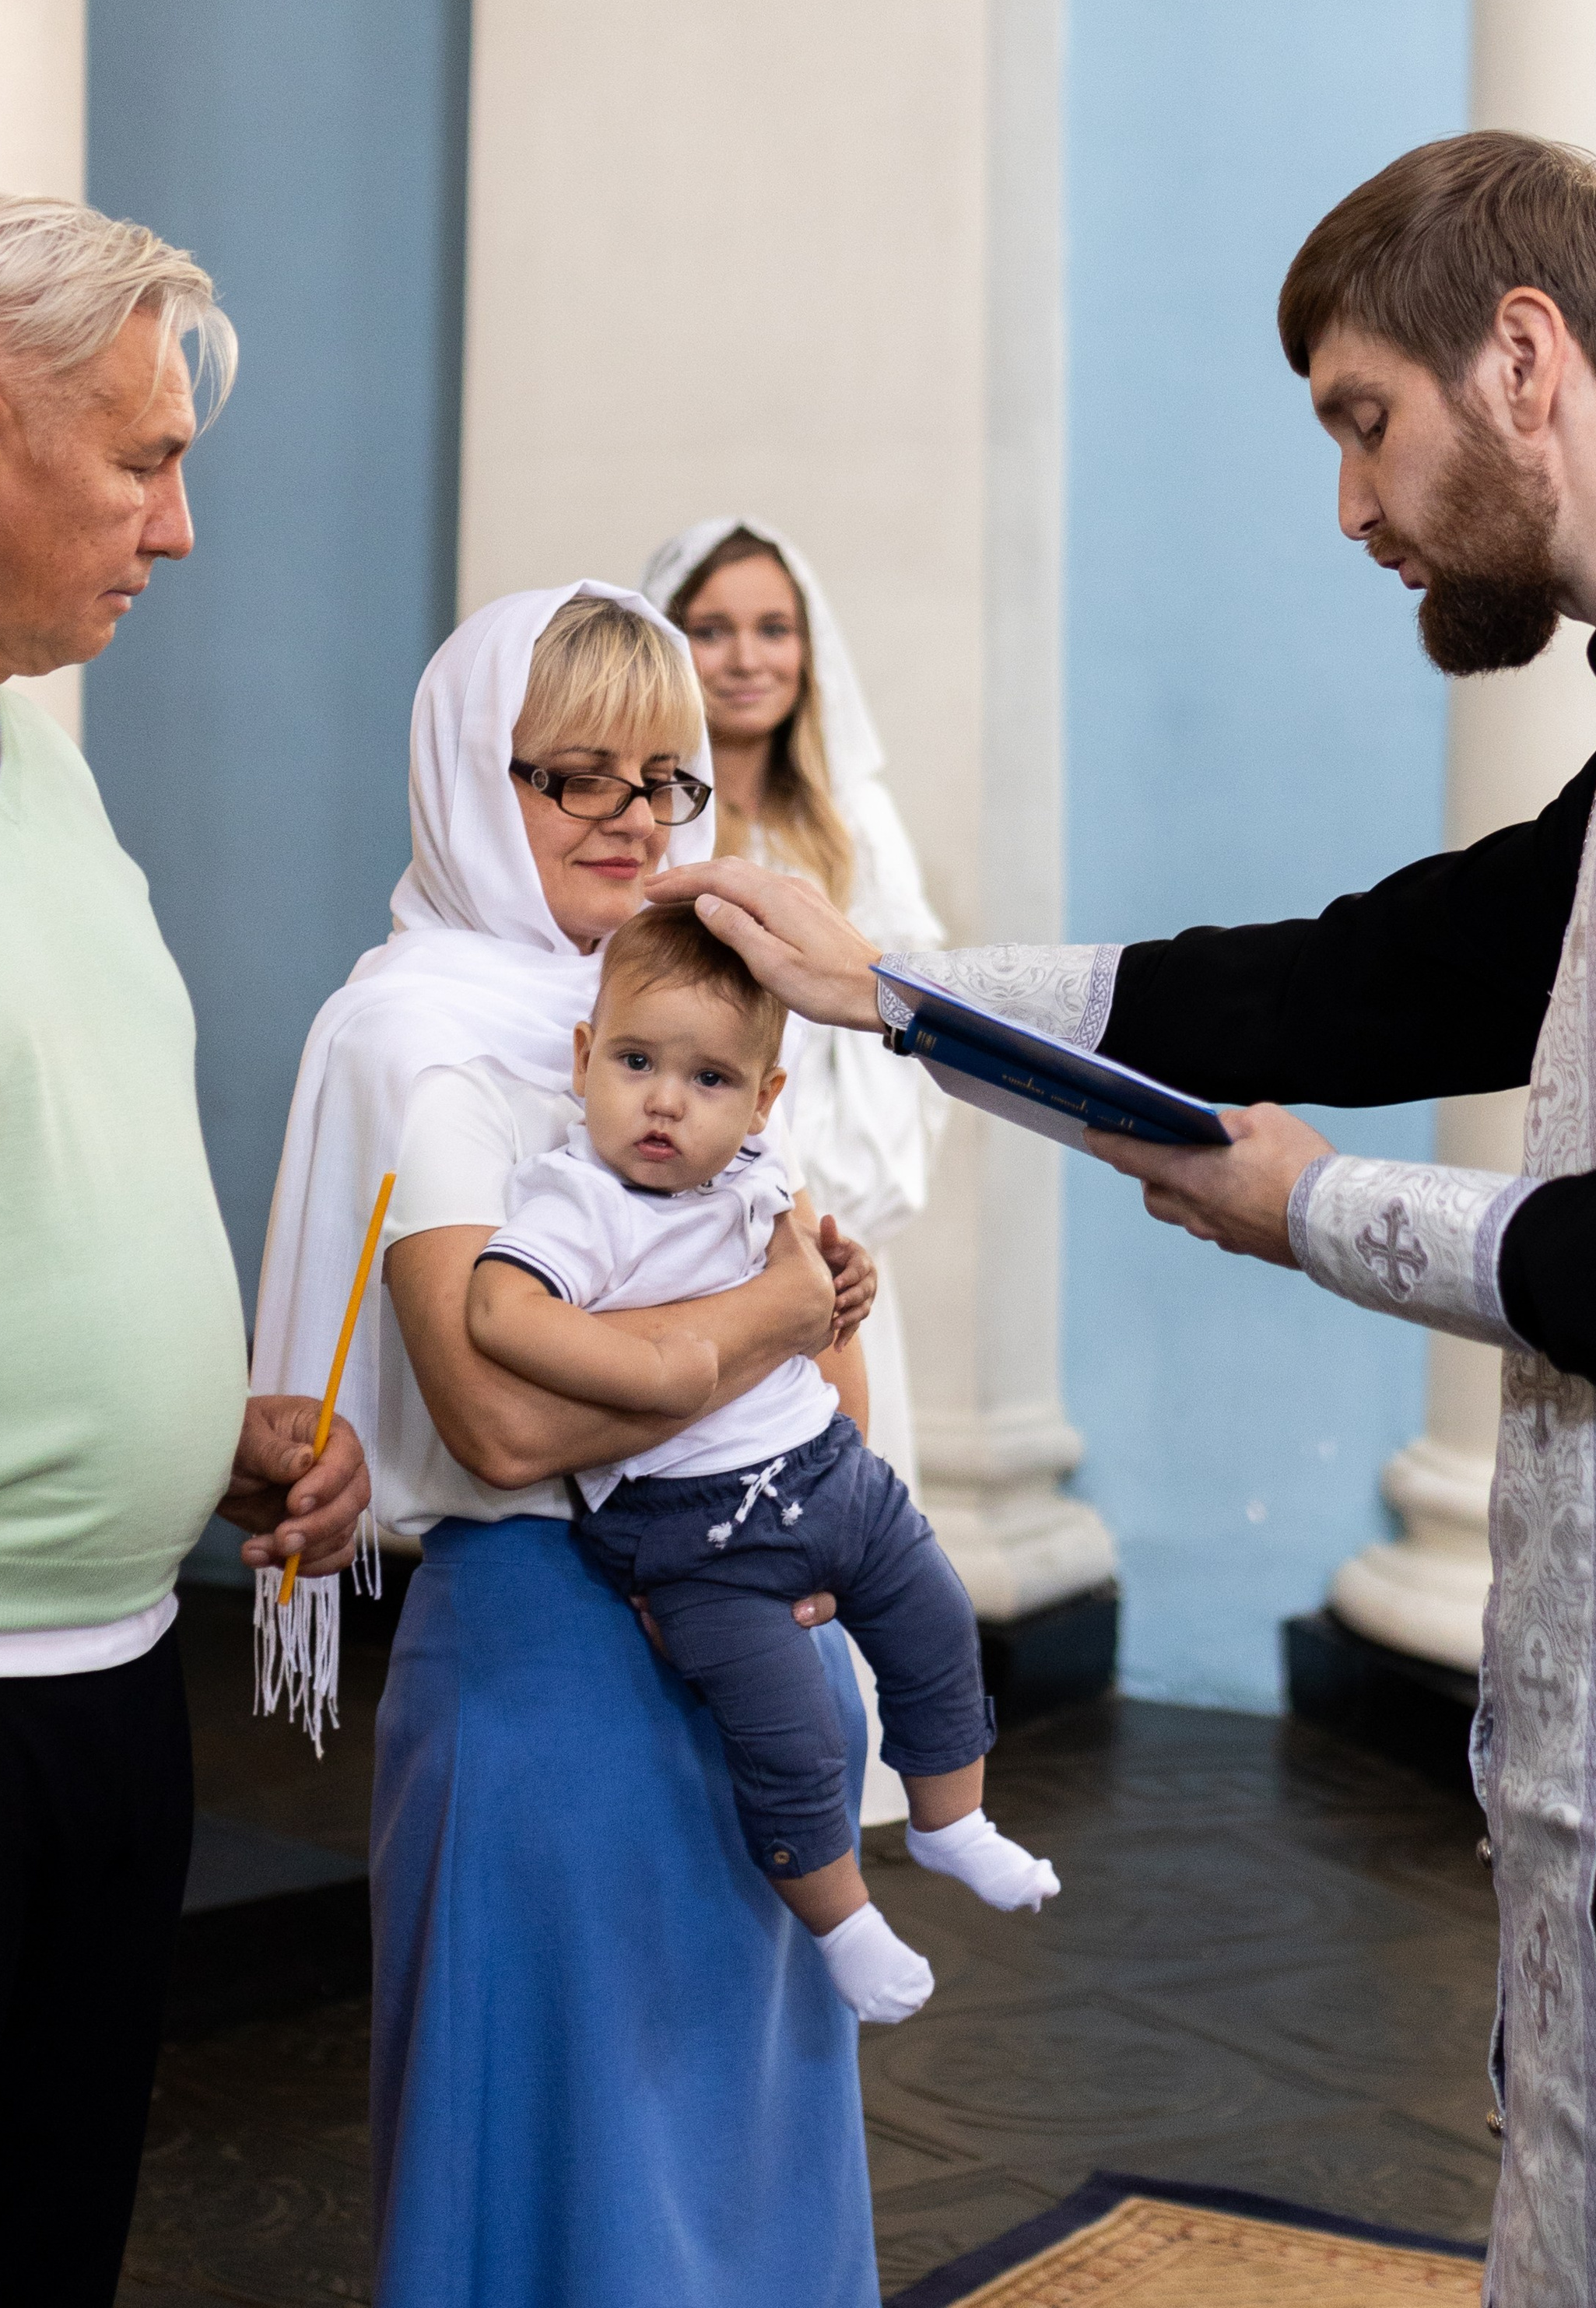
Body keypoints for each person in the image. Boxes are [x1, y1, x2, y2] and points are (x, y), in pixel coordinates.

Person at [654, 132, 1596, 2308]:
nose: (1351, 506)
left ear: (1522, 359)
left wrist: (1312, 1210)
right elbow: (1370, 976)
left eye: (1365, 420)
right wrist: (899, 993)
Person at [0, 191, 370, 2308]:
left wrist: (195, 1426)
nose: (179, 532)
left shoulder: (37, 769)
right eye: (145, 463)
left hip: (110, 1701)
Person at [249, 583, 884, 2308]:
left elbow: (836, 1392)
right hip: (553, 1670)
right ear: (475, 774)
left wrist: (781, 1339)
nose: (631, 820)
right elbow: (505, 1419)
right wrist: (759, 1323)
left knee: (744, 2161)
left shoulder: (683, 1004)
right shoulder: (417, 1035)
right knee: (568, 2179)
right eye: (574, 776)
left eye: (665, 778)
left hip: (752, 1650)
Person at [471, 903, 1058, 2028]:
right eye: (636, 1063)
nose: (665, 1102)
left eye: (709, 1079)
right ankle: (843, 1924)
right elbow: (500, 1308)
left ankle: (952, 1821)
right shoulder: (578, 1202)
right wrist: (653, 1371)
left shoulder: (757, 1175)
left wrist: (846, 1284)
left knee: (939, 1622)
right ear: (584, 1060)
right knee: (791, 1735)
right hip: (696, 1532)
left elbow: (812, 1299)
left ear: (762, 1099)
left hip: (828, 1471)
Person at [644, 517, 945, 1817]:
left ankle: (823, 1811)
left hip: (826, 1234)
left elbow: (914, 1012)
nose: (746, 657)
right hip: (681, 1231)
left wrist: (825, 1192)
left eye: (773, 628)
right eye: (713, 629)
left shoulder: (850, 820)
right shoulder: (650, 815)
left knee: (834, 1516)